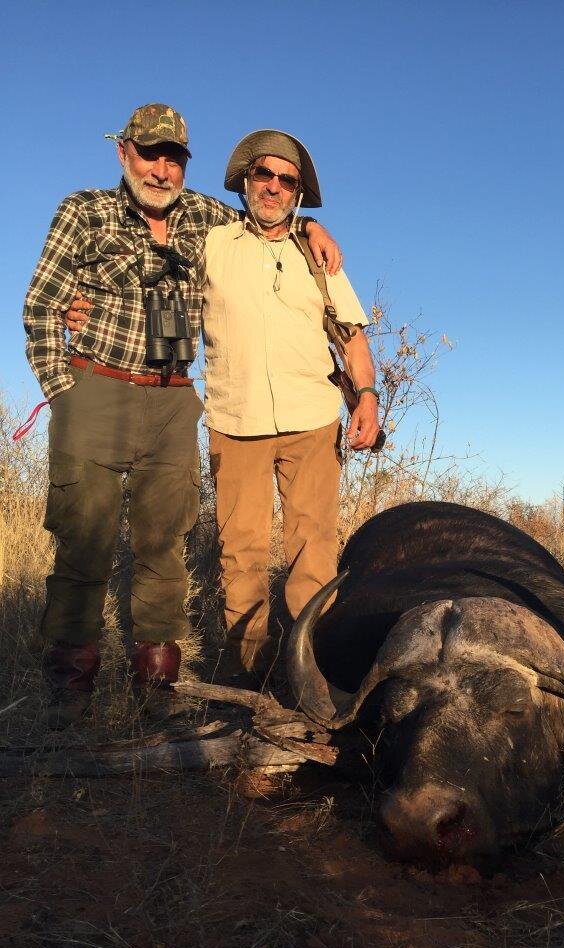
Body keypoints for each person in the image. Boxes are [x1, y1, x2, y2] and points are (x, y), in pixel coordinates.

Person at [24, 104, 338, 728]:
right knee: (83, 539)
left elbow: (271, 219)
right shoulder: (84, 210)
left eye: (174, 159)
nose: (161, 170)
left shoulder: (206, 219)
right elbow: (41, 306)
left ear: (186, 166)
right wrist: (66, 390)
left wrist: (314, 230)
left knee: (163, 542)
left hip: (174, 399)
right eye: (150, 154)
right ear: (124, 153)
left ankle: (156, 687)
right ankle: (69, 688)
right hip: (96, 387)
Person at [203, 129, 380, 677]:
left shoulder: (316, 252)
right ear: (245, 180)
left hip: (312, 417)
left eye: (288, 179)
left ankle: (311, 674)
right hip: (237, 418)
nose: (274, 186)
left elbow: (351, 334)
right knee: (242, 552)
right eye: (264, 174)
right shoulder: (210, 241)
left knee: (313, 551)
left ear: (298, 192)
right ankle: (249, 674)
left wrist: (368, 397)